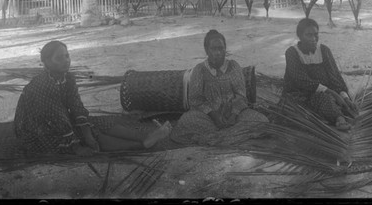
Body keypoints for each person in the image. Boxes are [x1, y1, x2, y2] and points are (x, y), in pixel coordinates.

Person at [14, 40, 172, 156]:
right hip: (36, 128)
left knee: (97, 123)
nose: (66, 60)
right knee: (86, 137)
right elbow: (57, 119)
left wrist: (87, 131)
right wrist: (78, 145)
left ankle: (147, 137)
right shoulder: (42, 85)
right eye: (59, 58)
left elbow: (76, 106)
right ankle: (141, 146)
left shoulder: (67, 78)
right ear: (47, 62)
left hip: (56, 118)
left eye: (67, 55)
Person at [170, 30, 268, 145]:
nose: (218, 53)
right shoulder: (200, 70)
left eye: (221, 48)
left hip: (235, 116)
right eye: (213, 49)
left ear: (225, 49)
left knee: (262, 121)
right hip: (208, 118)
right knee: (186, 121)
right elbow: (195, 100)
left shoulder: (233, 66)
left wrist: (233, 115)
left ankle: (216, 138)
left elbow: (241, 96)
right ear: (207, 50)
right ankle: (232, 136)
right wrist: (214, 115)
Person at [281, 18, 358, 131]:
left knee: (346, 104)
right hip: (300, 95)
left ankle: (338, 111)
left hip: (328, 92)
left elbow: (335, 76)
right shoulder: (292, 53)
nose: (313, 39)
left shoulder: (324, 50)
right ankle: (339, 118)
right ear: (300, 36)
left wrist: (344, 96)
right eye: (308, 35)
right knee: (324, 99)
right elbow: (300, 79)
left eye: (316, 34)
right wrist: (330, 92)